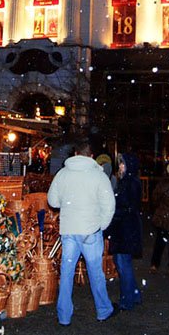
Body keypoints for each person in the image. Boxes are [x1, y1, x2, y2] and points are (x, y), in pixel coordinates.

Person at [47, 138, 116, 325]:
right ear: (91, 156)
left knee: (66, 273)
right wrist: (101, 225)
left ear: (75, 154)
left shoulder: (62, 174)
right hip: (90, 231)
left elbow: (53, 202)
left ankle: (64, 316)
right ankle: (103, 310)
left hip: (69, 230)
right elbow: (109, 205)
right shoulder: (99, 176)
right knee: (96, 273)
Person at [106, 151, 142, 310]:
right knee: (122, 263)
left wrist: (114, 214)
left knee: (122, 263)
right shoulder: (126, 181)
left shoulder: (129, 182)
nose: (120, 166)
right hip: (124, 227)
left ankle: (127, 300)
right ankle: (133, 295)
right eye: (120, 163)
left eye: (122, 164)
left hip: (125, 228)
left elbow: (128, 207)